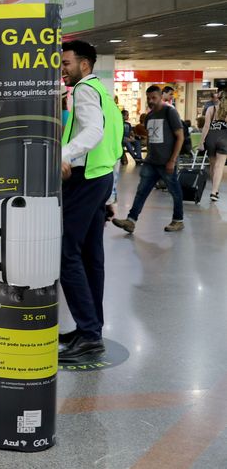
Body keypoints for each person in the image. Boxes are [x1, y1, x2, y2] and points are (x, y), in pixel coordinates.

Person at [58, 40, 122, 362]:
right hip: (100, 178)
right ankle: (90, 328)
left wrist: (63, 155)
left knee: (66, 253)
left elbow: (94, 132)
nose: (62, 69)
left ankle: (89, 334)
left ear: (84, 65)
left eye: (66, 63)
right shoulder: (103, 93)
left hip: (87, 182)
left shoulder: (83, 90)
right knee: (90, 256)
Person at [112, 85, 185, 234]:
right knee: (142, 191)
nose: (151, 101)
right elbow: (152, 139)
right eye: (149, 98)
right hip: (151, 162)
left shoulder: (169, 112)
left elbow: (180, 137)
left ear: (160, 97)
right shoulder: (150, 116)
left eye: (154, 98)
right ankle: (131, 221)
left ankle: (178, 220)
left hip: (166, 162)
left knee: (175, 191)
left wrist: (172, 160)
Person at [199, 91, 227, 202]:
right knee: (219, 166)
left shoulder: (211, 109)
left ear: (218, 99)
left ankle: (214, 189)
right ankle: (214, 192)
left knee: (212, 165)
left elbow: (206, 126)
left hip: (210, 137)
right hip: (224, 137)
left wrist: (201, 142)